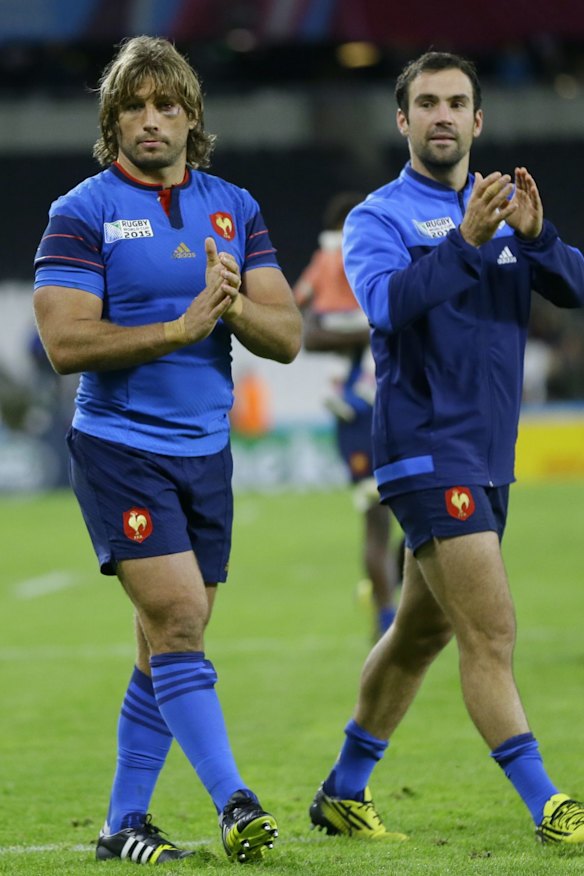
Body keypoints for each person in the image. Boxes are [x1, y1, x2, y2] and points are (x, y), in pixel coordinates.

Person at [33, 35, 302, 865]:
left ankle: (124, 823)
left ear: (193, 116)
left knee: (164, 642)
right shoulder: (80, 211)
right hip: (120, 447)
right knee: (180, 619)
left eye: (168, 104)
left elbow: (286, 334)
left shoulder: (235, 206)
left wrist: (230, 312)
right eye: (134, 107)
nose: (152, 121)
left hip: (204, 453)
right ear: (112, 119)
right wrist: (178, 328)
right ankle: (236, 802)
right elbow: (65, 344)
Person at [309, 51, 584, 846]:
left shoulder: (502, 210)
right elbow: (389, 307)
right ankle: (548, 806)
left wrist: (538, 238)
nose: (441, 115)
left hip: (488, 455)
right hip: (425, 452)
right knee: (491, 633)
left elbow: (572, 285)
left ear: (477, 120)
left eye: (456, 102)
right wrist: (466, 243)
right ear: (403, 121)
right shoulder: (376, 218)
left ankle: (343, 790)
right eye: (425, 102)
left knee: (419, 634)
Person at [294, 193, 402, 639]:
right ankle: (385, 614)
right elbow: (309, 335)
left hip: (379, 409)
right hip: (365, 414)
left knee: (395, 520)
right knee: (382, 520)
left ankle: (387, 604)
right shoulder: (350, 255)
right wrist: (379, 325)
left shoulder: (331, 260)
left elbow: (301, 311)